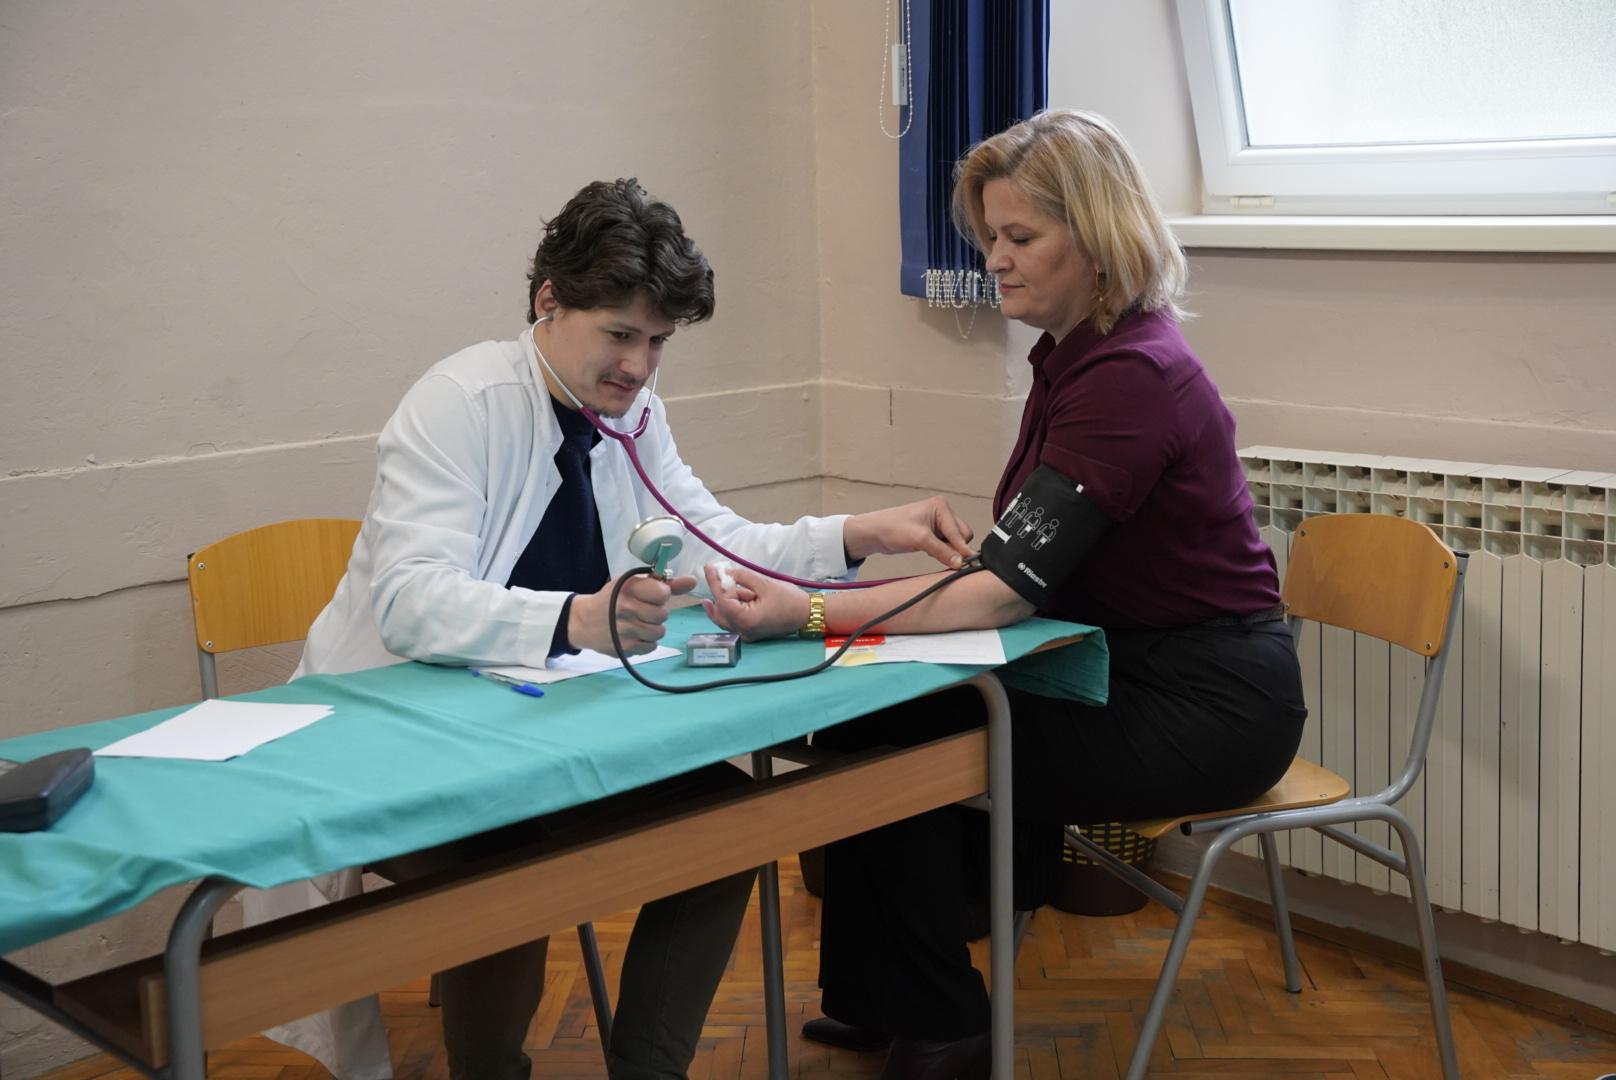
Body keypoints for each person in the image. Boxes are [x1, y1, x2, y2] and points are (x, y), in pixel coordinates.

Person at [260, 177, 979, 1080]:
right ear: (547, 303)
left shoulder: (631, 414)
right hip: (409, 739)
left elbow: (718, 542)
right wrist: (578, 618)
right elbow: (410, 602)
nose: (639, 366)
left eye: (658, 342)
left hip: (540, 730)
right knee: (508, 865)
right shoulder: (458, 404)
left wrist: (856, 533)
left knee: (723, 826)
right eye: (619, 335)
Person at [702, 110, 1308, 1080]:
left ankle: (944, 1022)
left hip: (1206, 704)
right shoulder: (1079, 356)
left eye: (1019, 236)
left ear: (1097, 238)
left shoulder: (1130, 378)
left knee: (900, 732)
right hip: (1126, 666)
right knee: (874, 715)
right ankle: (886, 998)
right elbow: (1018, 571)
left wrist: (803, 610)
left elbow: (1000, 596)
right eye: (991, 236)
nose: (995, 259)